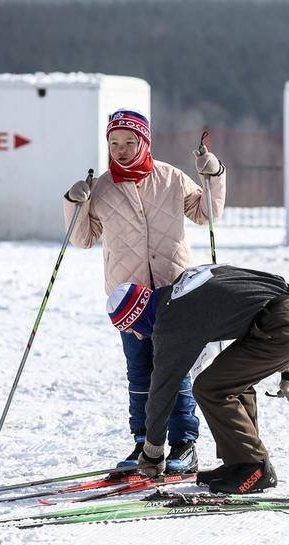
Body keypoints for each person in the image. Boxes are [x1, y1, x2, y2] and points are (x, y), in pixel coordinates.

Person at [63, 109, 226, 474]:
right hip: (130, 300)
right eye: (114, 143)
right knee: (140, 371)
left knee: (176, 369)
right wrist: (75, 202)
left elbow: (207, 214)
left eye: (130, 142)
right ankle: (143, 444)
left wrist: (212, 173)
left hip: (174, 292)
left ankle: (184, 446)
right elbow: (83, 238)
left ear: (144, 142)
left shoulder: (170, 178)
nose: (121, 150)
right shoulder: (102, 187)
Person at [105, 264, 289, 494]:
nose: (137, 336)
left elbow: (162, 391)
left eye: (130, 329)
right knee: (230, 382)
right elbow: (251, 297)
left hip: (285, 324)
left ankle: (253, 468)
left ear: (137, 316)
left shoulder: (170, 322)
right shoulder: (184, 285)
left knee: (211, 388)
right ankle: (240, 462)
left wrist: (152, 452)